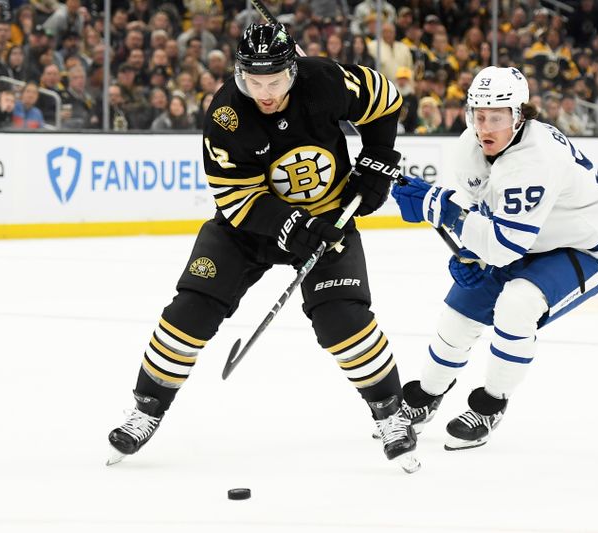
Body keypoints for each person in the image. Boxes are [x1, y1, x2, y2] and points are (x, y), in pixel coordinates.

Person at [107, 23, 419, 473]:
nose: (265, 92)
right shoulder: (226, 116)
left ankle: (391, 413)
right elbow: (236, 200)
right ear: (240, 74)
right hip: (248, 230)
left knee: (341, 320)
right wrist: (293, 225)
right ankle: (147, 409)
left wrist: (378, 159)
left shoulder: (326, 81)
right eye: (254, 81)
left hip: (329, 219)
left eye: (274, 81)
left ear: (293, 70)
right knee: (190, 311)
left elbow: (385, 98)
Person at [390, 66, 598, 451]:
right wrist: (468, 251)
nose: (486, 127)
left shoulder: (535, 160)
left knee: (517, 305)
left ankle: (490, 406)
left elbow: (502, 246)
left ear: (520, 115)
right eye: (479, 115)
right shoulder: (472, 145)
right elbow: (479, 210)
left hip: (581, 247)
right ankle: (425, 398)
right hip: (525, 239)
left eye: (497, 117)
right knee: (458, 314)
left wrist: (442, 210)